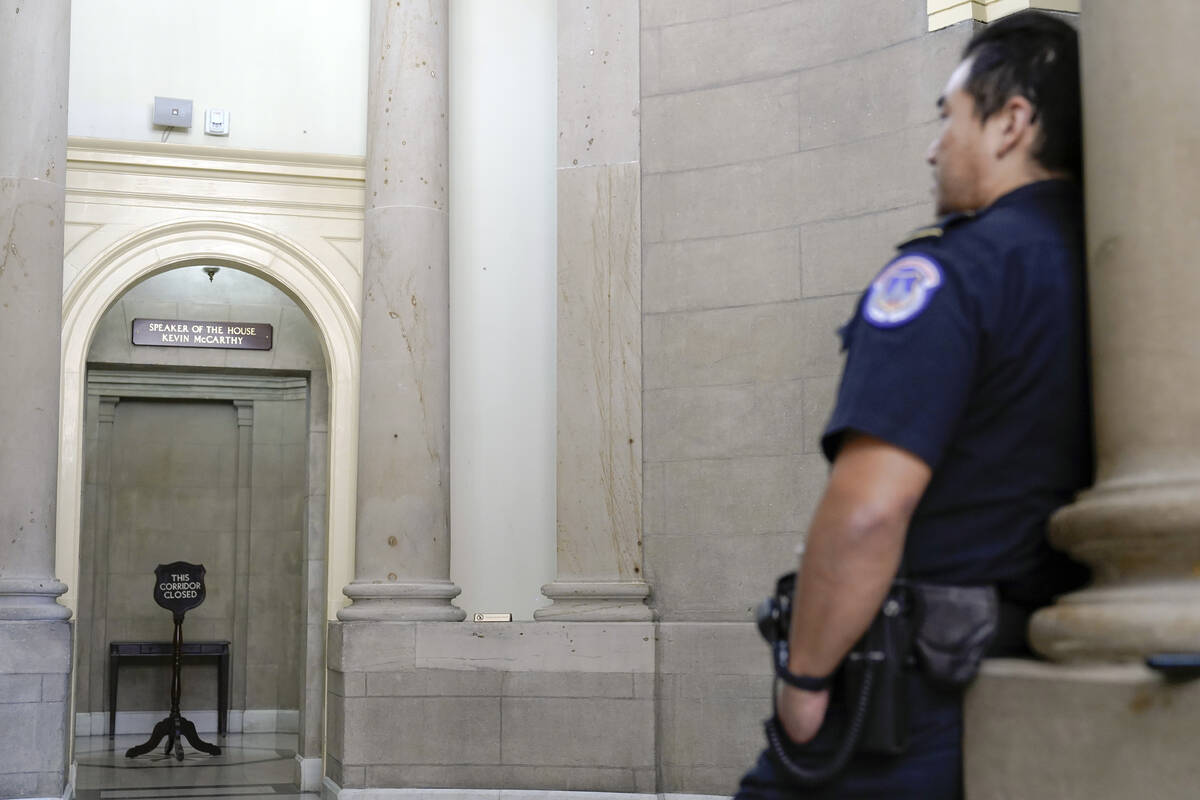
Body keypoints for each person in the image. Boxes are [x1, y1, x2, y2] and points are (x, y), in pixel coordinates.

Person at [736, 11, 1091, 799]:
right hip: (1055, 671)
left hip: (916, 697)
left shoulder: (946, 278)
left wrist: (805, 679)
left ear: (1011, 122)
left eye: (948, 117)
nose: (935, 147)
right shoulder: (1109, 273)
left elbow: (867, 512)